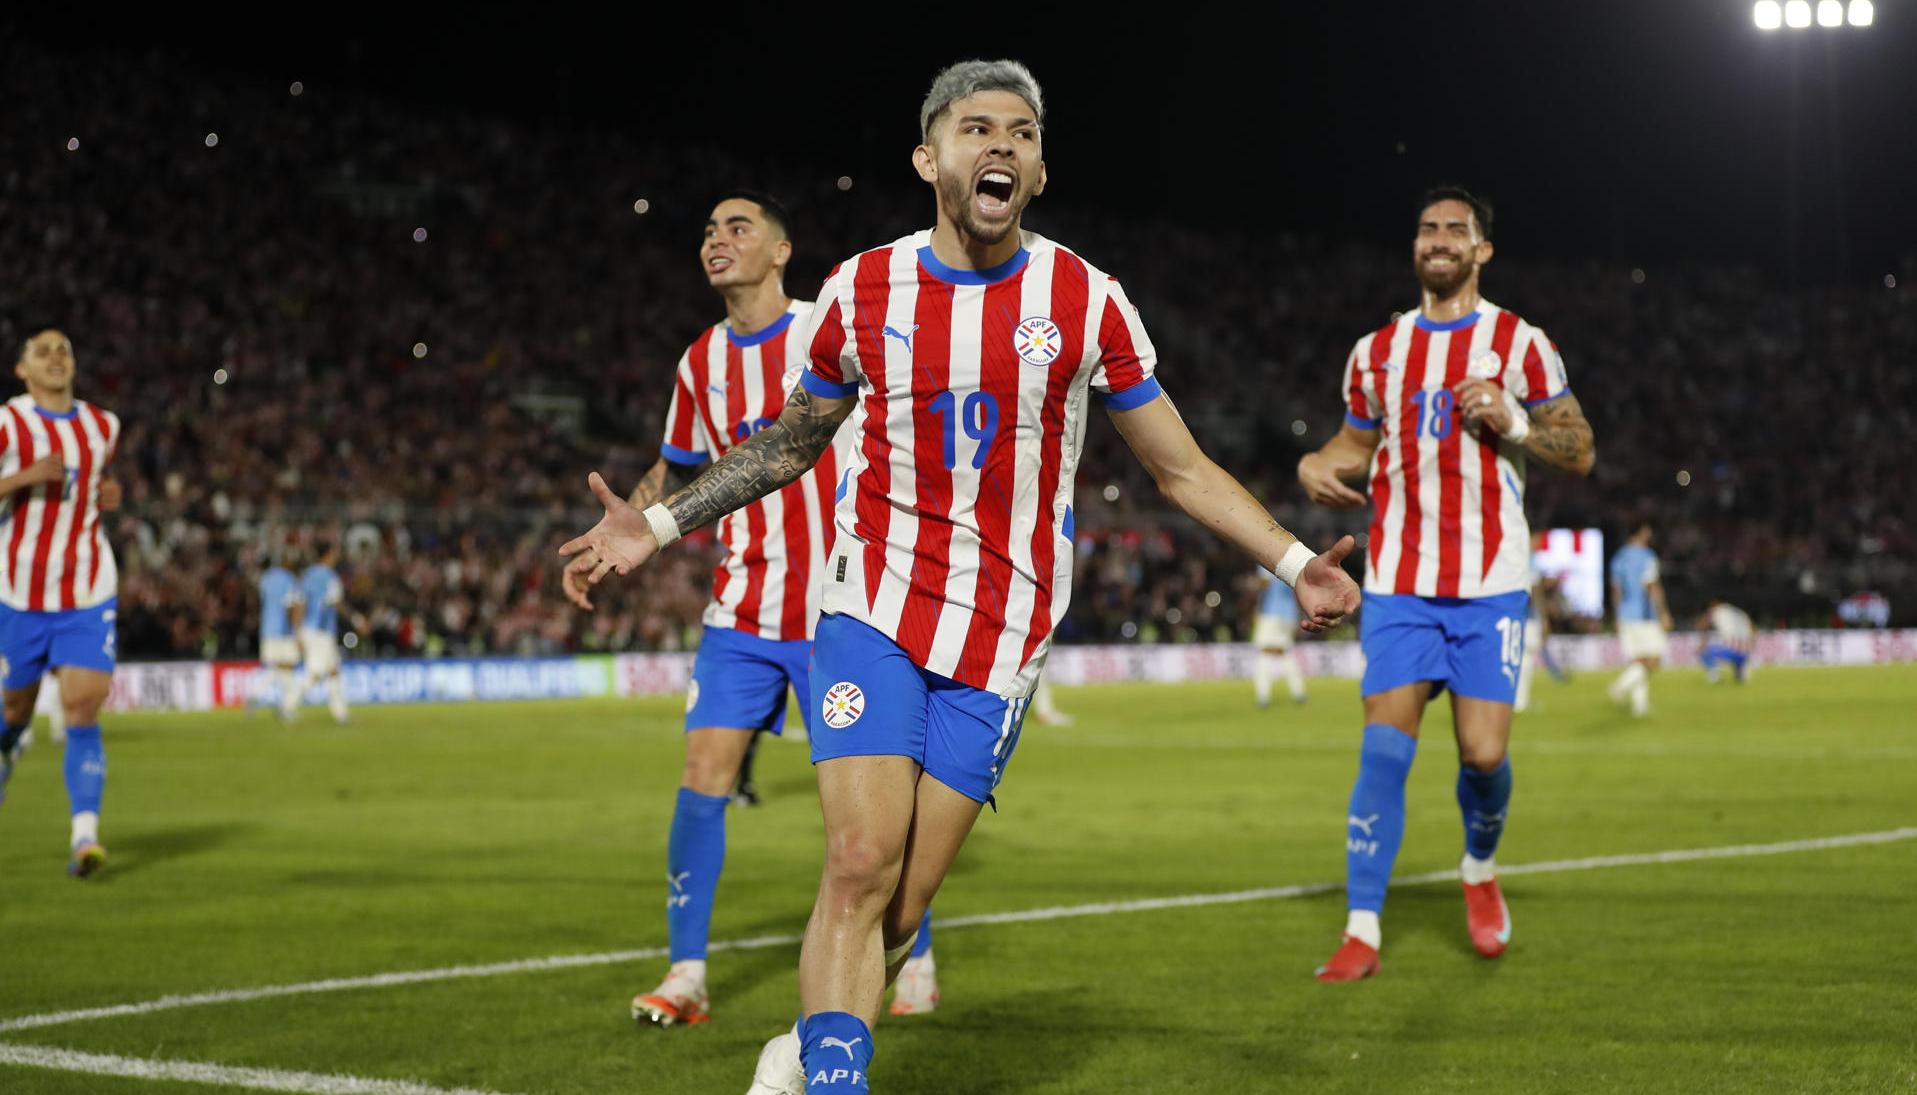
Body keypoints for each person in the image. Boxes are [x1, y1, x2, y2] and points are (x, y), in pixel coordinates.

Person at [560, 60, 1360, 1093]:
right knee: (857, 861)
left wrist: (1296, 564)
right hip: (873, 608)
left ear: (1038, 169)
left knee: (901, 904)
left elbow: (1180, 467)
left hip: (1003, 637)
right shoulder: (861, 291)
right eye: (977, 128)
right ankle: (837, 1079)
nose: (1002, 145)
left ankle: (802, 1051)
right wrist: (659, 523)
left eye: (1022, 134)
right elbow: (792, 443)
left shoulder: (1085, 298)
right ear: (928, 157)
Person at [616, 192, 938, 1030]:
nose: (716, 239)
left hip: (843, 607)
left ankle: (915, 953)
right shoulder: (700, 363)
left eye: (738, 227)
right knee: (701, 775)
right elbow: (676, 466)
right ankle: (686, 974)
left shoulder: (823, 330)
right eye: (708, 228)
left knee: (863, 812)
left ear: (782, 249)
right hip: (743, 608)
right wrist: (624, 527)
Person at [1296, 187, 1596, 981]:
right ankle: (1362, 929)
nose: (1436, 239)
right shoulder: (1377, 351)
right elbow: (1352, 441)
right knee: (1383, 752)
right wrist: (1316, 462)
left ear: (1480, 251)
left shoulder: (1519, 344)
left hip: (1491, 584)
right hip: (1397, 583)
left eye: (1454, 230)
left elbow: (1580, 446)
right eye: (1426, 228)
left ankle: (1477, 866)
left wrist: (1516, 420)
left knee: (1482, 755)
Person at [0, 328, 126, 878]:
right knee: (13, 712)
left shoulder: (104, 426)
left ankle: (84, 836)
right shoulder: (8, 422)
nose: (55, 358)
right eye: (42, 351)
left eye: (64, 350)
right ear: (21, 369)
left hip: (87, 587)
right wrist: (25, 477)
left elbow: (97, 484)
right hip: (18, 592)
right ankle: (8, 746)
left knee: (82, 703)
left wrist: (111, 495)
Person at [1607, 522, 1671, 716]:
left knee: (1639, 660)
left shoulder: (1619, 558)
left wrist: (1617, 615)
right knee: (1654, 660)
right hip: (1644, 614)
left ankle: (1639, 707)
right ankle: (1619, 686)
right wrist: (1663, 612)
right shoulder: (1647, 556)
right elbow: (1652, 585)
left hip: (1626, 614)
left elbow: (1616, 590)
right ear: (1643, 532)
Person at [295, 540, 351, 724]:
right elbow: (336, 602)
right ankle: (288, 703)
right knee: (316, 672)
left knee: (333, 669)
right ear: (328, 554)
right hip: (322, 630)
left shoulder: (307, 575)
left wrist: (298, 630)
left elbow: (299, 603)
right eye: (335, 552)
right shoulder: (330, 577)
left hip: (309, 628)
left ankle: (340, 713)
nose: (337, 555)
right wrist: (356, 619)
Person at [257, 551, 304, 721]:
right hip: (283, 631)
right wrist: (297, 631)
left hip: (267, 630)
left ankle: (256, 695)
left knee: (278, 667)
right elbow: (291, 606)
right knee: (286, 667)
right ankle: (285, 708)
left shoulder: (266, 578)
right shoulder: (289, 580)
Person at [1253, 568, 1308, 708]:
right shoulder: (1292, 560)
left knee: (1265, 652)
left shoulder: (1266, 557)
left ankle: (1263, 696)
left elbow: (1265, 582)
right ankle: (1298, 692)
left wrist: (1252, 584)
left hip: (1272, 612)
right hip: (1289, 614)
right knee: (1284, 652)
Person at [1697, 597, 1753, 684]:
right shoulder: (1740, 612)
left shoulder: (1717, 610)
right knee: (1739, 651)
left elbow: (1702, 624)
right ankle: (1741, 672)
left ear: (1716, 603)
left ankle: (1714, 676)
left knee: (1703, 651)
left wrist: (1703, 640)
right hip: (1745, 652)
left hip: (1729, 649)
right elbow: (1752, 629)